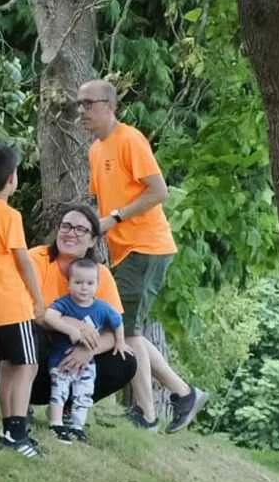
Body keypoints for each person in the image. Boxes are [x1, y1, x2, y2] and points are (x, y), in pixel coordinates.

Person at [79, 79, 208, 433]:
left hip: (146, 246)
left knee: (126, 328)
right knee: (130, 328)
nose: (82, 111)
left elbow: (158, 192)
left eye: (88, 104)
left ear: (109, 105)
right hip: (124, 250)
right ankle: (184, 394)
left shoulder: (130, 140)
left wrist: (115, 218)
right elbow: (104, 198)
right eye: (79, 104)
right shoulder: (96, 150)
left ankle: (148, 414)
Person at [0, 205, 138, 414]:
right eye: (66, 226)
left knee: (124, 360)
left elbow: (113, 331)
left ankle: (66, 407)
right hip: (14, 360)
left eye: (80, 229)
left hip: (67, 364)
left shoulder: (99, 274)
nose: (71, 233)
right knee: (32, 332)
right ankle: (19, 407)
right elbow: (25, 314)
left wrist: (87, 350)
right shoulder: (35, 259)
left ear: (93, 240)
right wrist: (71, 324)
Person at [0, 143, 46, 458]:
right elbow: (23, 260)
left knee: (7, 365)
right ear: (12, 178)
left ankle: (8, 428)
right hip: (14, 303)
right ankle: (17, 431)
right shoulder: (9, 214)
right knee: (27, 365)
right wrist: (38, 300)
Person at [42, 258, 130, 444]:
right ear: (69, 283)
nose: (84, 288)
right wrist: (70, 330)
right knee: (60, 389)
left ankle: (77, 426)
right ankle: (56, 423)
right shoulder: (65, 303)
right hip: (62, 359)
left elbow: (117, 322)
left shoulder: (102, 307)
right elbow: (49, 316)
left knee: (84, 393)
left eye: (90, 283)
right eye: (78, 282)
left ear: (97, 284)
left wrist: (120, 342)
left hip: (88, 363)